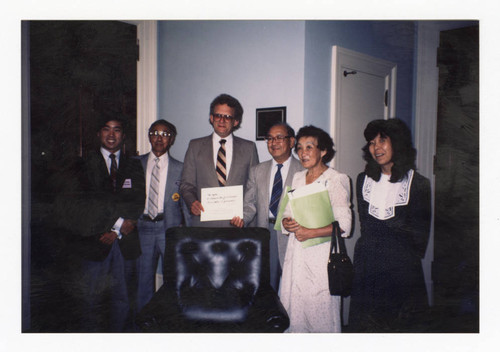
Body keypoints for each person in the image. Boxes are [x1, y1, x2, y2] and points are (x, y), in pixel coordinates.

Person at [348, 118, 431, 333]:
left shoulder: (418, 183)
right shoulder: (362, 180)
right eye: (372, 142)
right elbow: (365, 225)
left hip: (401, 270)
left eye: (382, 141)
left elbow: (420, 236)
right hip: (368, 266)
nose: (376, 148)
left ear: (397, 143)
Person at [76, 116, 145, 332]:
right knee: (91, 299)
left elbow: (138, 199)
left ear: (123, 136)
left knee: (123, 298)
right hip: (95, 240)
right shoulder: (83, 164)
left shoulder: (133, 165)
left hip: (125, 242)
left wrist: (119, 229)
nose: (111, 135)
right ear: (99, 133)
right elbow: (84, 203)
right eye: (106, 129)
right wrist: (116, 224)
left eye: (117, 130)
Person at [280, 125, 352, 333]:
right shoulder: (297, 178)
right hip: (297, 255)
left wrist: (311, 232)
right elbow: (286, 213)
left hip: (321, 256)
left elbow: (344, 225)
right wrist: (287, 223)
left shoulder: (336, 179)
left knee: (320, 313)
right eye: (300, 148)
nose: (303, 153)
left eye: (309, 147)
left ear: (323, 151)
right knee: (296, 311)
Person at [230, 122, 303, 291]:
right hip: (264, 232)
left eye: (279, 138)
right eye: (269, 138)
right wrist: (242, 218)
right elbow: (249, 204)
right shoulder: (257, 170)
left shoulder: (303, 170)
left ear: (291, 142)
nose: (273, 142)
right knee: (265, 286)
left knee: (291, 287)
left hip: (292, 235)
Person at [136, 119, 191, 312]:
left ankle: (170, 321)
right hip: (142, 228)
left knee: (173, 278)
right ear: (149, 135)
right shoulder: (135, 164)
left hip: (169, 229)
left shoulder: (181, 168)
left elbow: (186, 204)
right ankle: (143, 324)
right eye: (155, 133)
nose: (160, 138)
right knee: (143, 280)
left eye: (165, 134)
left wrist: (189, 234)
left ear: (172, 139)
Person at [180, 93, 259, 227]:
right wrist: (191, 202)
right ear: (211, 118)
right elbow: (186, 184)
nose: (222, 120)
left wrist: (245, 216)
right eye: (218, 115)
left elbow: (253, 188)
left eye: (228, 117)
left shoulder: (249, 148)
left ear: (236, 121)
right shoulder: (195, 146)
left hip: (236, 225)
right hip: (204, 225)